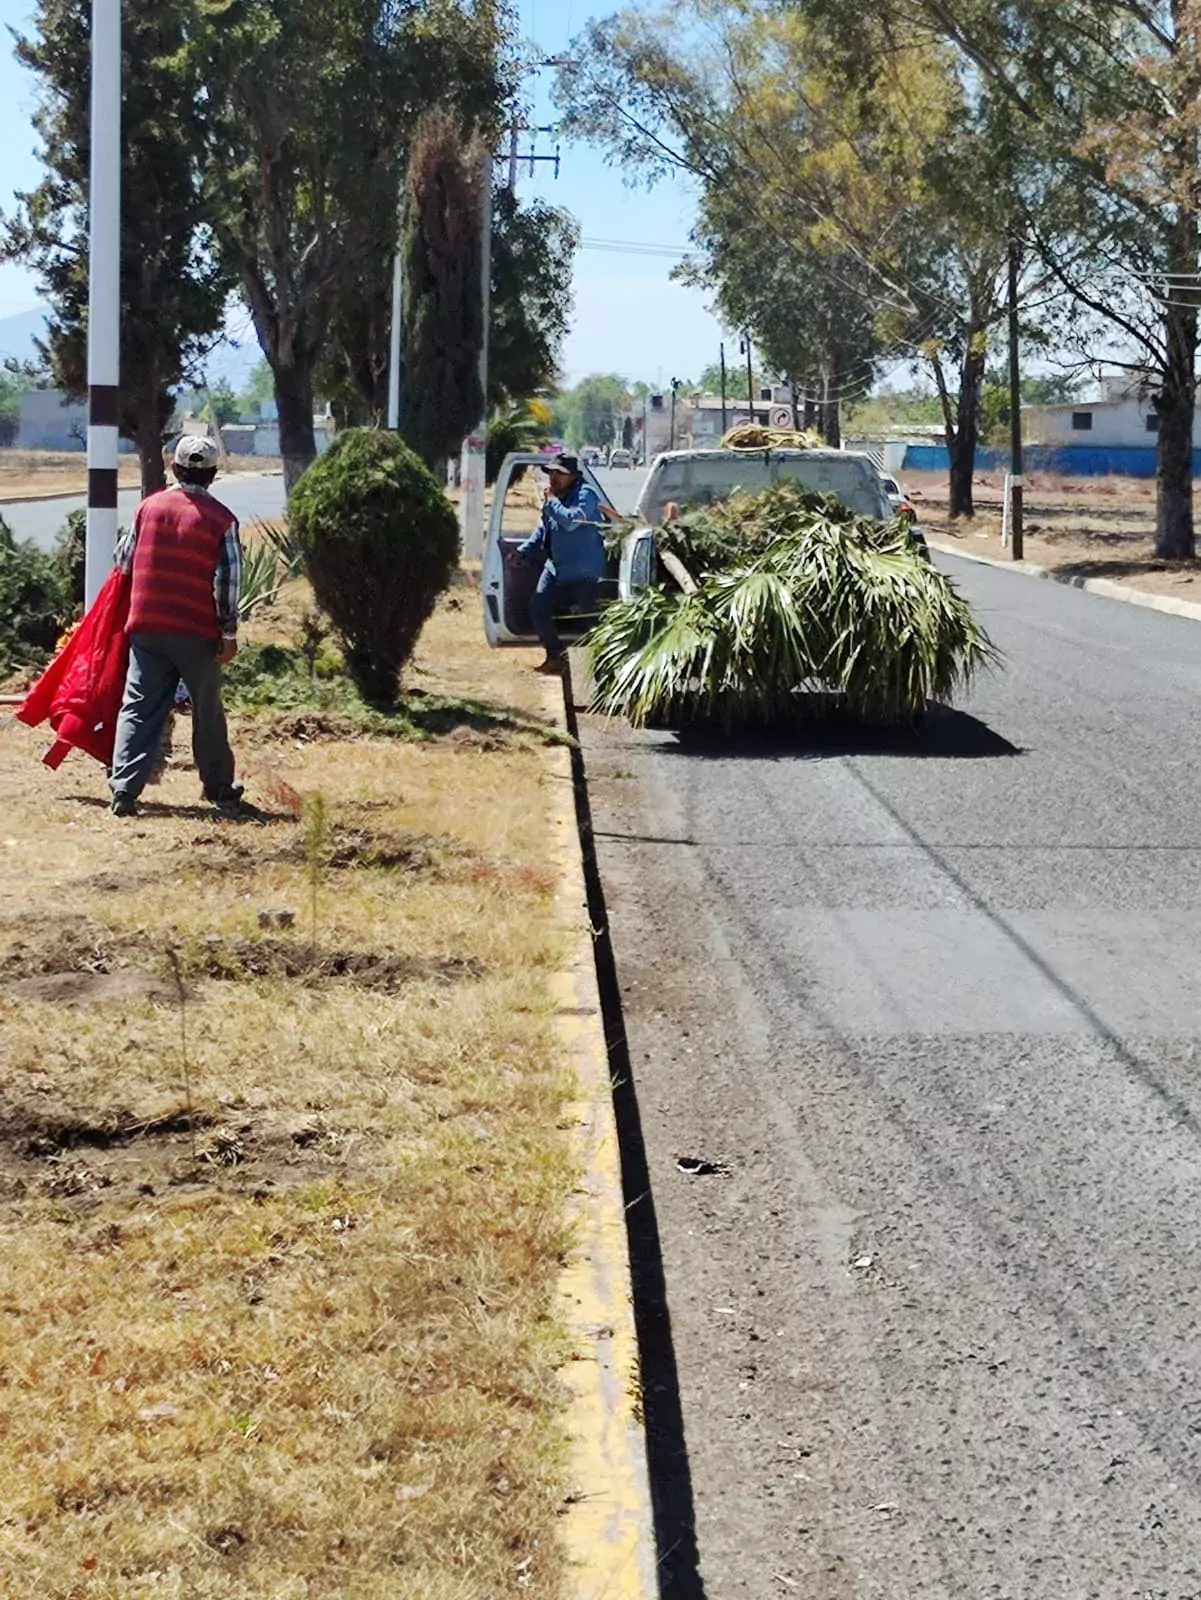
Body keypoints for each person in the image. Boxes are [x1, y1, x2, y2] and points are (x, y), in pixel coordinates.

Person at [108, 436, 244, 817]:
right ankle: (219, 788)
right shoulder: (222, 520)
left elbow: (124, 561)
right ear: (213, 475)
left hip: (147, 625)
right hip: (195, 630)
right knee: (206, 709)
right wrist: (228, 632)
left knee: (138, 705)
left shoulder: (148, 508)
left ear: (175, 468)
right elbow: (228, 581)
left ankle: (123, 790)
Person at [511, 453, 607, 673]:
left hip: (584, 570)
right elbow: (544, 529)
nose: (553, 477)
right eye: (551, 472)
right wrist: (523, 549)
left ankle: (605, 665)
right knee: (539, 605)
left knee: (589, 619)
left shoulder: (586, 494)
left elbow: (572, 522)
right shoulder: (554, 498)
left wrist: (552, 501)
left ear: (572, 476)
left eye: (559, 473)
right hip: (556, 568)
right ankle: (555, 655)